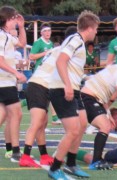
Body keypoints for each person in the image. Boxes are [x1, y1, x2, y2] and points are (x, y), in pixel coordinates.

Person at [48, 10, 100, 179]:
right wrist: (68, 86)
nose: (97, 32)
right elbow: (60, 61)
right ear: (90, 28)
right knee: (72, 131)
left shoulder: (79, 43)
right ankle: (55, 168)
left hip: (74, 90)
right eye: (96, 28)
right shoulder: (76, 39)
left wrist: (84, 78)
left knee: (82, 125)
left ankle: (71, 164)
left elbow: (71, 67)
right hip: (62, 89)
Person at [18, 26, 78, 168]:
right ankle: (25, 156)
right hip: (39, 85)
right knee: (37, 123)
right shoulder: (65, 51)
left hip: (42, 85)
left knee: (42, 123)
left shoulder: (56, 49)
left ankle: (44, 155)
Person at [0, 6, 27, 162]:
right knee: (16, 114)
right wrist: (16, 73)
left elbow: (22, 43)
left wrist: (22, 27)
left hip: (5, 81)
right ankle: (15, 151)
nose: (15, 21)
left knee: (4, 115)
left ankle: (10, 149)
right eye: (14, 19)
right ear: (8, 19)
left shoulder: (6, 35)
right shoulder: (2, 36)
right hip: (4, 82)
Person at [27, 22, 61, 125]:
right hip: (40, 73)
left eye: (49, 30)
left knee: (49, 94)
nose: (47, 33)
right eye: (45, 31)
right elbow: (31, 56)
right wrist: (45, 53)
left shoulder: (50, 43)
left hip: (49, 73)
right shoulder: (38, 42)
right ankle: (55, 117)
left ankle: (54, 117)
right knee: (48, 94)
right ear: (41, 33)